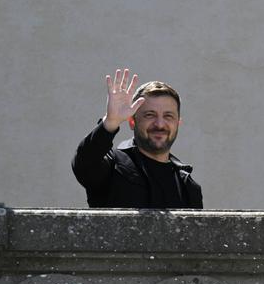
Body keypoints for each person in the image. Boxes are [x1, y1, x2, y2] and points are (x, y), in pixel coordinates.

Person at [72, 68, 203, 208]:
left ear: (178, 123)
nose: (159, 124)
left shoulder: (188, 186)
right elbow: (84, 164)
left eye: (168, 116)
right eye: (150, 115)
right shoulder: (112, 166)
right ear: (132, 121)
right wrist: (110, 122)